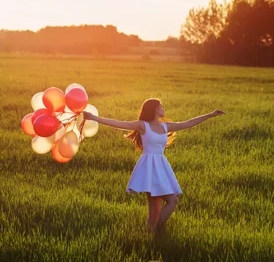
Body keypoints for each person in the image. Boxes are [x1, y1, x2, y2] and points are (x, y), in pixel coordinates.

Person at [82, 98, 225, 234]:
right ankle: (157, 230)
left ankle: (150, 235)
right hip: (149, 168)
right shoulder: (143, 125)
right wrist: (94, 118)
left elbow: (188, 123)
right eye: (160, 106)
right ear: (154, 109)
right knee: (172, 200)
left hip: (161, 167)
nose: (163, 109)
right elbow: (119, 123)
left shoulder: (165, 126)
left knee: (155, 212)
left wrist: (210, 115)